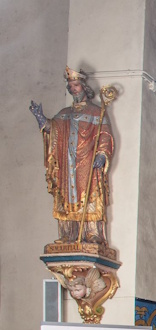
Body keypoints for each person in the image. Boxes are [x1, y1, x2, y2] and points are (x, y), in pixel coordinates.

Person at [30, 67, 114, 245]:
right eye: (71, 86)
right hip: (67, 165)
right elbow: (52, 130)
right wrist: (39, 117)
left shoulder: (96, 112)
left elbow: (105, 136)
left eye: (76, 85)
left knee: (90, 194)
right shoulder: (64, 113)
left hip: (87, 163)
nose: (73, 89)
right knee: (65, 197)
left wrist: (101, 154)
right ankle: (67, 235)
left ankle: (92, 234)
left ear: (84, 87)